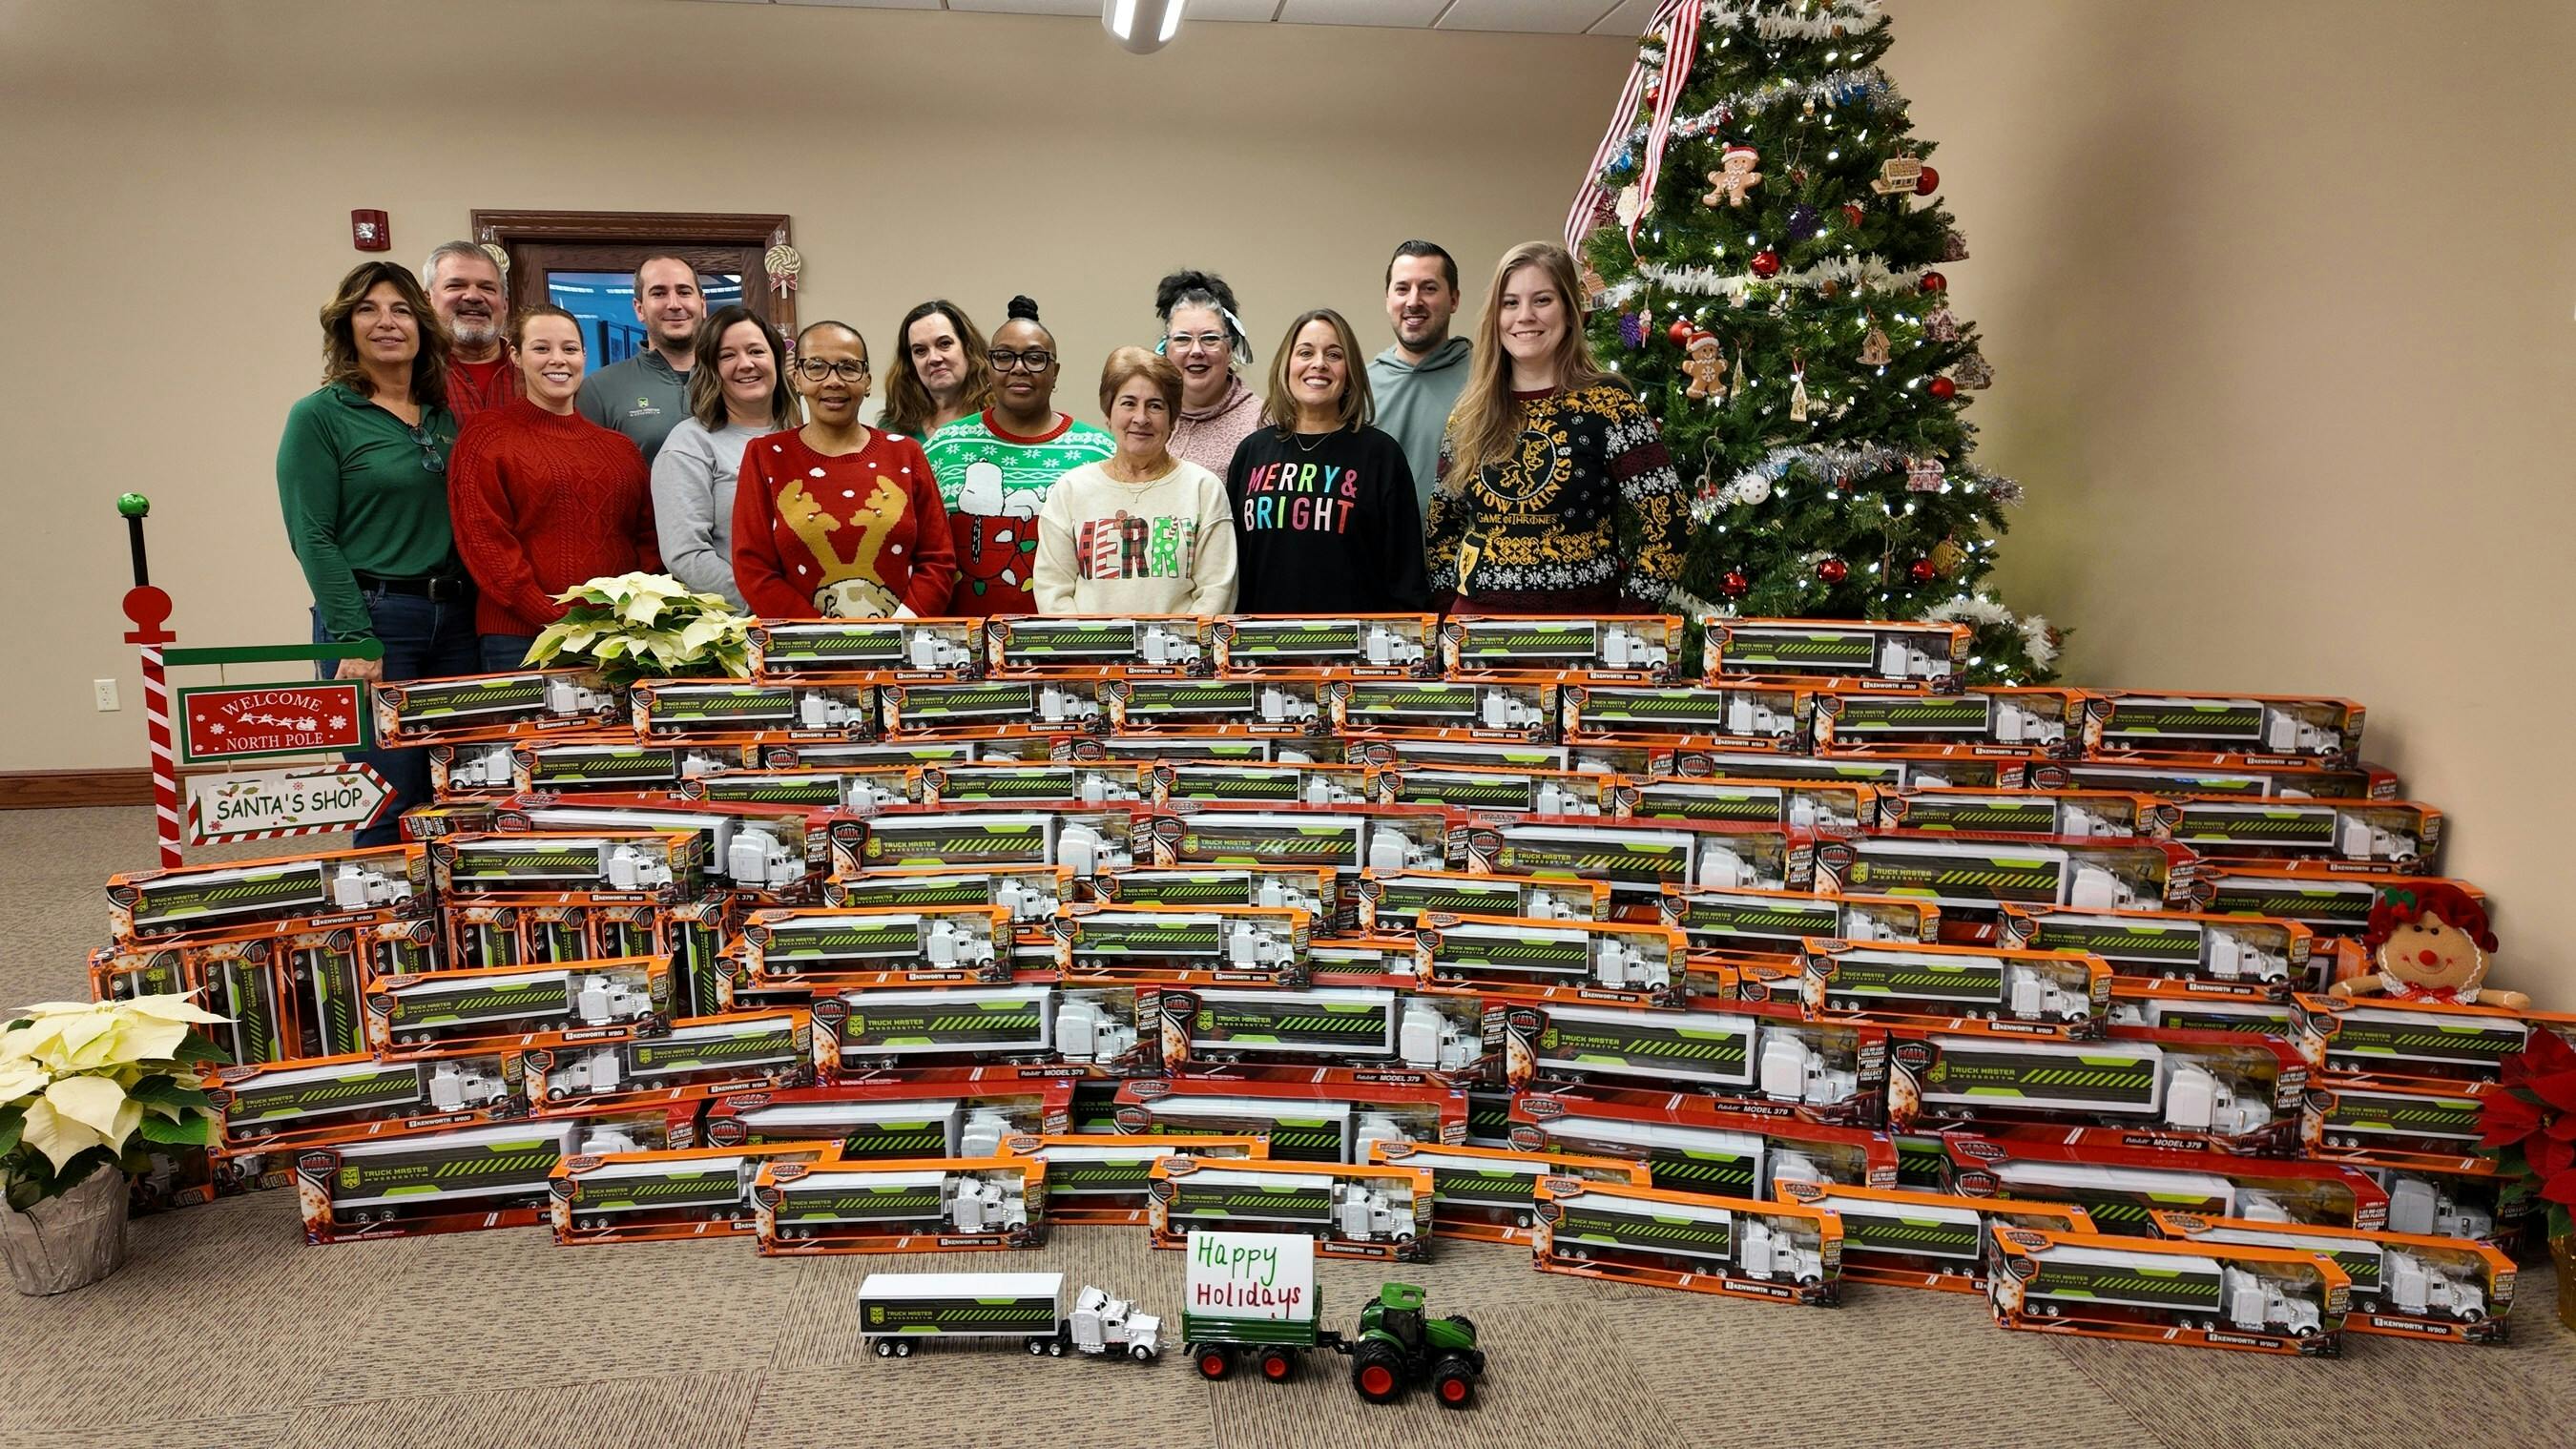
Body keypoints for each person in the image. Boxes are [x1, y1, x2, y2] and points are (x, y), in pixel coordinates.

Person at [275, 260, 473, 846]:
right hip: (374, 620)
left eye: (401, 310)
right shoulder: (319, 417)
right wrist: (356, 639)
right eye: (368, 309)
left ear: (422, 326)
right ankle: (393, 933)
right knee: (389, 794)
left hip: (457, 621)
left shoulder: (443, 419)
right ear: (346, 327)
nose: (386, 323)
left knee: (458, 794)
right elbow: (311, 535)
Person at [1423, 240, 1690, 615]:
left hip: (1580, 637)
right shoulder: (1470, 411)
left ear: (1569, 310)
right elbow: (1441, 524)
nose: (1525, 316)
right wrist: (1448, 611)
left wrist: (1628, 622)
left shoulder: (1610, 404)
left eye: (1542, 300)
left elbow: (1671, 524)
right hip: (1475, 637)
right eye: (1510, 302)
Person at [449, 304, 661, 670]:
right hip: (521, 638)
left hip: (616, 638)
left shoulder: (620, 449)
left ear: (584, 355)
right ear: (515, 355)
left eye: (568, 349)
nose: (557, 360)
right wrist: (559, 620)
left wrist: (634, 617)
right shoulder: (487, 435)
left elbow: (646, 541)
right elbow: (485, 542)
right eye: (541, 348)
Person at [733, 321, 956, 619]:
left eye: (848, 368)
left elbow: (938, 558)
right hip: (805, 653)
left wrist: (899, 629)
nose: (833, 381)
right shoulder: (766, 455)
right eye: (816, 367)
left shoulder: (905, 453)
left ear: (867, 381)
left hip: (902, 646)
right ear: (797, 378)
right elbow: (752, 567)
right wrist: (821, 636)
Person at [1225, 310, 1430, 614]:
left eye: (1334, 354)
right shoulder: (1252, 453)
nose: (1318, 363)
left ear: (1349, 373)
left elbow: (1406, 578)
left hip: (1354, 652)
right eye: (1305, 352)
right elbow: (1231, 569)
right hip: (1261, 650)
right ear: (1287, 365)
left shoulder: (1381, 455)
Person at [921, 296, 1112, 615]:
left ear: (1056, 371)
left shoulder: (1100, 450)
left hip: (1073, 646)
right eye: (1005, 357)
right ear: (989, 366)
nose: (1019, 368)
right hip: (964, 648)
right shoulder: (943, 448)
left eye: (1035, 358)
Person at [1034, 348, 1236, 615]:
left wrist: (1175, 650)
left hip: (1182, 654)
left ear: (1173, 419)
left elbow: (1216, 590)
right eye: (1128, 403)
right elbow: (1053, 589)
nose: (1141, 418)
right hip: (1089, 654)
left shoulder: (1203, 489)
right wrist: (1088, 648)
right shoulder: (1071, 490)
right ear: (1108, 413)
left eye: (1155, 405)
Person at [654, 305, 796, 609]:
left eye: (756, 351)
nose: (745, 364)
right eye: (727, 355)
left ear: (776, 359)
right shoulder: (689, 444)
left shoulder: (803, 435)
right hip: (738, 630)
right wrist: (772, 604)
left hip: (815, 622)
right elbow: (686, 555)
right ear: (711, 368)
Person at [1366, 239, 1472, 515]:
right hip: (1378, 556)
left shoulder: (1486, 381)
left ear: (1454, 300)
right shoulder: (1358, 387)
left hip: (1464, 554)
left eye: (1429, 288)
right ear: (1388, 300)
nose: (1414, 301)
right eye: (1402, 289)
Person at [575, 254, 703, 462]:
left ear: (702, 304)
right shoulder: (599, 389)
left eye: (684, 292)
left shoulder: (733, 380)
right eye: (659, 293)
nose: (674, 304)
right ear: (639, 308)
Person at [1156, 270, 1264, 475]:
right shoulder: (1148, 416)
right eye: (1182, 339)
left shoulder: (1262, 423)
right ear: (1166, 348)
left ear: (1230, 348)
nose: (1196, 351)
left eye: (1210, 338)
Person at [424, 240, 518, 424]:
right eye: (456, 285)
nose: (473, 296)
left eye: (487, 288)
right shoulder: (411, 373)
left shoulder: (532, 369)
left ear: (505, 303)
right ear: (427, 301)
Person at [878, 300, 994, 441]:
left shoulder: (1000, 415)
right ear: (910, 363)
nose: (934, 358)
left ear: (968, 347)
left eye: (944, 344)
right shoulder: (893, 427)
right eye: (920, 351)